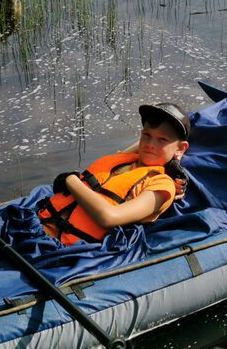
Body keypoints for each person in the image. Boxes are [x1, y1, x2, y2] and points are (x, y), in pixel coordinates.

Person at [37, 102, 191, 245]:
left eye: (162, 140)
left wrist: (71, 180)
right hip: (37, 226)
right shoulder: (126, 160)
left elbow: (109, 217)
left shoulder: (162, 185)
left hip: (65, 246)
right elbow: (149, 142)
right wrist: (172, 158)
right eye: (147, 135)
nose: (150, 145)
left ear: (181, 148)